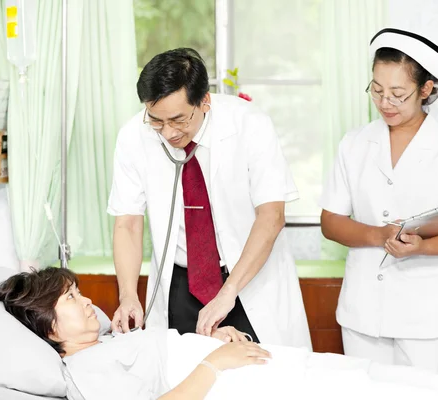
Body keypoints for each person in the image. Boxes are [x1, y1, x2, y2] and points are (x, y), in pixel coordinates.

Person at [0, 268, 438, 400]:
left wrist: (217, 343)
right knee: (378, 390)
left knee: (380, 380)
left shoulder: (102, 344)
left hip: (236, 365)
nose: (86, 299)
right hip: (226, 383)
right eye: (70, 299)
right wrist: (211, 365)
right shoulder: (81, 370)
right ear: (48, 327)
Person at [107, 47, 310, 349]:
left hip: (247, 277)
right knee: (185, 381)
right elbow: (128, 224)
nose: (168, 133)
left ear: (205, 101)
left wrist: (227, 293)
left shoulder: (249, 124)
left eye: (178, 120)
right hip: (181, 282)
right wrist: (128, 296)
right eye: (156, 121)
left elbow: (272, 216)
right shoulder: (133, 137)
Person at [319, 28, 438, 378]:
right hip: (362, 313)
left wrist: (420, 248)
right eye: (377, 91)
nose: (385, 103)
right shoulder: (354, 144)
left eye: (398, 94)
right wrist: (379, 234)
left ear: (425, 90)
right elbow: (330, 221)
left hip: (427, 319)